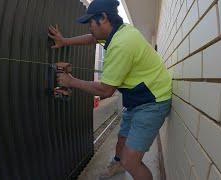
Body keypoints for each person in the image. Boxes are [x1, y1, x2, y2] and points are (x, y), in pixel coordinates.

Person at [48, 0, 172, 179]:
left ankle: (125, 165)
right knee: (121, 141)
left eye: (90, 22)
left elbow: (106, 90)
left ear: (104, 18)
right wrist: (64, 41)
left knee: (131, 161)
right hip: (139, 97)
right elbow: (91, 38)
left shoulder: (121, 44)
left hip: (154, 101)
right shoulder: (118, 31)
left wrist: (71, 81)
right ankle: (117, 165)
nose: (89, 27)